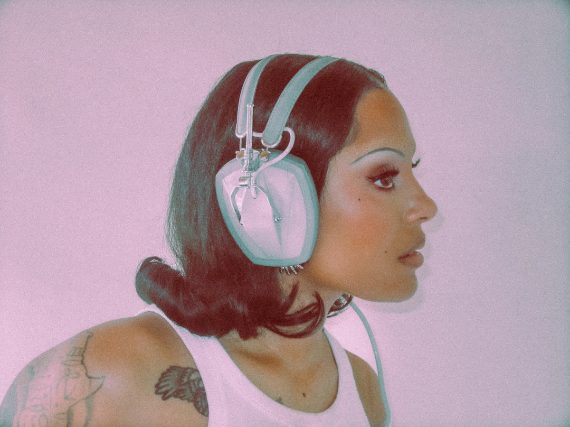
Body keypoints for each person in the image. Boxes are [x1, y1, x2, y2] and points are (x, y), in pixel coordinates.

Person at [0, 54, 437, 427]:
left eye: (412, 172)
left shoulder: (362, 392)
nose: (426, 206)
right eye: (384, 177)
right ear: (269, 194)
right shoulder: (108, 374)